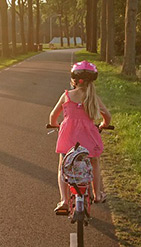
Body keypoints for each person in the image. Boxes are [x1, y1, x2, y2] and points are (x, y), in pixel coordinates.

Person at [49, 60, 111, 213]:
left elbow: (52, 117)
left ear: (74, 81)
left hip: (68, 138)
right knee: (94, 162)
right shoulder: (92, 98)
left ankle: (64, 200)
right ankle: (97, 195)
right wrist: (103, 124)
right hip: (89, 138)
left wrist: (56, 125)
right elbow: (107, 116)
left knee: (62, 166)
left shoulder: (66, 96)